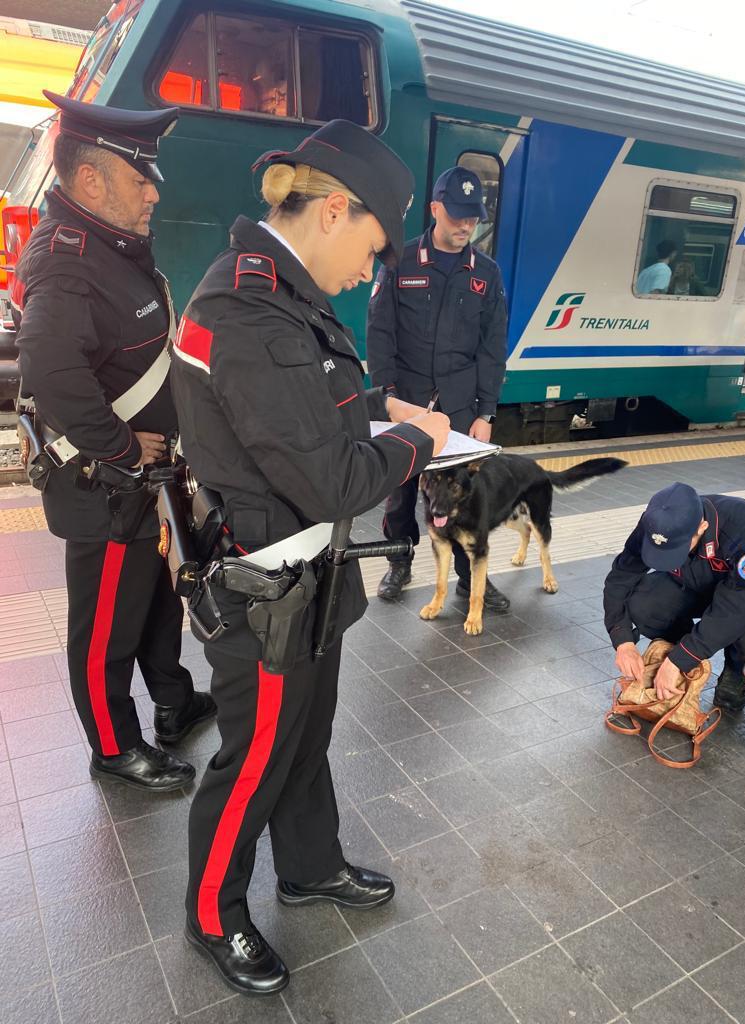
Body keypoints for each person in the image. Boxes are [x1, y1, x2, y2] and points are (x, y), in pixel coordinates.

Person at [171, 119, 450, 995]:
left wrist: (374, 406)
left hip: (307, 578)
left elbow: (303, 415)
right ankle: (213, 911)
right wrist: (415, 442)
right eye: (371, 248)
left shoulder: (283, 297)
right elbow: (332, 479)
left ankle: (308, 864)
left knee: (306, 737)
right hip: (267, 584)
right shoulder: (250, 308)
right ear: (335, 210)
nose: (370, 272)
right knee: (255, 754)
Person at [12, 93, 215, 791]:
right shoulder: (70, 262)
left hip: (144, 485)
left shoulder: (108, 242)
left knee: (156, 596)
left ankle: (173, 701)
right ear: (92, 179)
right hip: (107, 486)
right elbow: (48, 369)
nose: (155, 192)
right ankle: (112, 746)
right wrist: (125, 450)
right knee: (104, 626)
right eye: (142, 178)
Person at [367, 165, 510, 607]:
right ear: (435, 210)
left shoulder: (486, 273)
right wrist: (386, 395)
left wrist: (486, 413)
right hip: (407, 400)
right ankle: (399, 561)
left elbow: (492, 347)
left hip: (460, 407)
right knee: (400, 491)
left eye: (473, 217)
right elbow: (380, 331)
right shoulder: (401, 262)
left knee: (464, 496)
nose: (466, 225)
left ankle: (470, 579)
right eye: (457, 216)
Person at [604, 482, 745, 712]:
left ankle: (734, 669)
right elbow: (621, 577)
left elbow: (735, 609)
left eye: (676, 550)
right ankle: (679, 652)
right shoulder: (655, 523)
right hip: (694, 583)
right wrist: (622, 640)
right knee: (643, 603)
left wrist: (679, 661)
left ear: (702, 527)